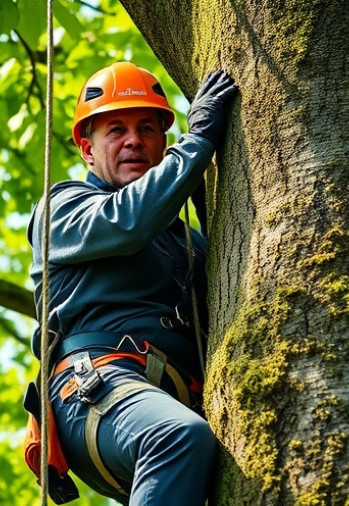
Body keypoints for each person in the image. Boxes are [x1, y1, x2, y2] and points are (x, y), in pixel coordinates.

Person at [26, 62, 238, 505]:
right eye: (115, 130)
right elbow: (128, 223)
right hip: (97, 388)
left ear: (162, 143)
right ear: (87, 149)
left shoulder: (187, 242)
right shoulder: (64, 208)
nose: (134, 140)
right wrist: (197, 145)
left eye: (147, 128)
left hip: (177, 396)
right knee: (177, 436)